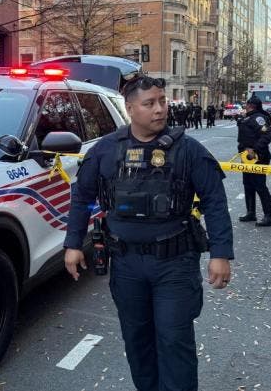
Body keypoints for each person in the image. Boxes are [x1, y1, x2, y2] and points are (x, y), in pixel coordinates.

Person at [63, 74, 234, 391]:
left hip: (175, 263)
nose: (160, 109)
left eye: (162, 101)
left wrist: (221, 253)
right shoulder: (106, 150)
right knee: (137, 338)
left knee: (173, 339)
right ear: (130, 108)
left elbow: (215, 201)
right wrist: (73, 243)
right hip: (126, 265)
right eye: (149, 103)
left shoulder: (188, 150)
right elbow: (81, 197)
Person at [237, 95, 271, 226]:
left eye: (247, 104)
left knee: (260, 186)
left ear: (251, 105)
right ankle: (251, 213)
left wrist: (255, 150)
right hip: (247, 158)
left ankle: (269, 216)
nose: (245, 105)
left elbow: (266, 136)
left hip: (258, 158)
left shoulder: (259, 118)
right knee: (248, 185)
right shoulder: (248, 116)